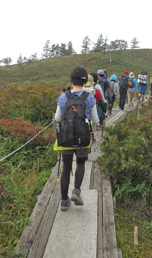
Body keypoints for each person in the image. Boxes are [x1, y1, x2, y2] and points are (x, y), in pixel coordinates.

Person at [54, 66, 101, 211]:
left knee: (66, 168)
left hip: (66, 138)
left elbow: (57, 118)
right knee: (80, 164)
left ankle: (63, 200)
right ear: (85, 80)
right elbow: (95, 119)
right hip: (83, 139)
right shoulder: (89, 97)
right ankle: (76, 191)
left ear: (71, 79)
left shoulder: (63, 96)